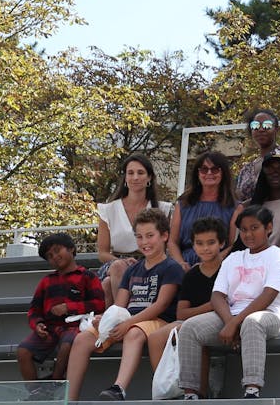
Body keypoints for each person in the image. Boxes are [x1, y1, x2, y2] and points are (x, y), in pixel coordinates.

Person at [178, 206, 280, 400]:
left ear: (268, 227)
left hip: (272, 314)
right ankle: (191, 393)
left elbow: (268, 295)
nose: (248, 234)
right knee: (190, 328)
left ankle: (252, 389)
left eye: (254, 228)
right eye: (243, 229)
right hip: (231, 315)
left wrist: (234, 324)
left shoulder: (279, 256)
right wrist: (229, 322)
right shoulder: (233, 258)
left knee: (252, 322)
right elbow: (217, 295)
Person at [67, 208, 183, 402]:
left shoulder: (171, 268)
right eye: (139, 237)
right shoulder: (132, 270)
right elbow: (120, 307)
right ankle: (69, 398)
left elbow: (161, 305)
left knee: (134, 332)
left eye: (149, 236)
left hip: (156, 321)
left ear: (164, 236)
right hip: (128, 320)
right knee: (82, 339)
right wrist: (105, 319)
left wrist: (128, 323)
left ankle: (118, 388)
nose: (144, 242)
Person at [147, 218, 228, 396]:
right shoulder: (192, 274)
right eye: (199, 243)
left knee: (193, 333)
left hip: (221, 321)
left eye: (211, 242)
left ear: (222, 243)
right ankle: (167, 389)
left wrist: (215, 308)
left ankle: (198, 394)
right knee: (155, 338)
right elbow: (181, 312)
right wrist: (211, 305)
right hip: (190, 321)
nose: (205, 248)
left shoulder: (229, 269)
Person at [17, 233, 105, 383]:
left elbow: (99, 304)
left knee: (67, 345)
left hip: (75, 326)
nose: (55, 257)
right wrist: (37, 324)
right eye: (49, 256)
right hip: (49, 328)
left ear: (71, 249)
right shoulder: (46, 281)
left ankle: (55, 381)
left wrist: (69, 307)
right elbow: (34, 310)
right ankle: (35, 392)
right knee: (23, 351)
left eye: (58, 250)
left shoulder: (88, 276)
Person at [96, 154, 173, 305]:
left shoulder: (163, 209)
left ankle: (118, 320)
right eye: (130, 173)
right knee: (118, 268)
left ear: (149, 177)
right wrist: (122, 261)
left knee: (107, 284)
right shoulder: (108, 209)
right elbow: (102, 253)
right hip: (115, 261)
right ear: (125, 178)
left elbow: (168, 246)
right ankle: (123, 315)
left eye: (140, 173)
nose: (135, 177)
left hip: (152, 261)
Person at [170, 150, 239, 269]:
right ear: (197, 173)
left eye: (215, 169)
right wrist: (180, 264)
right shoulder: (182, 204)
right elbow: (172, 242)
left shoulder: (235, 207)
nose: (209, 173)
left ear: (223, 173)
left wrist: (212, 264)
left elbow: (233, 245)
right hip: (184, 265)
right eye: (204, 169)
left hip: (219, 266)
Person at [234, 108, 280, 204]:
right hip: (251, 217)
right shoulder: (246, 169)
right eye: (255, 126)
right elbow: (238, 198)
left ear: (276, 129)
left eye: (267, 125)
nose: (261, 129)